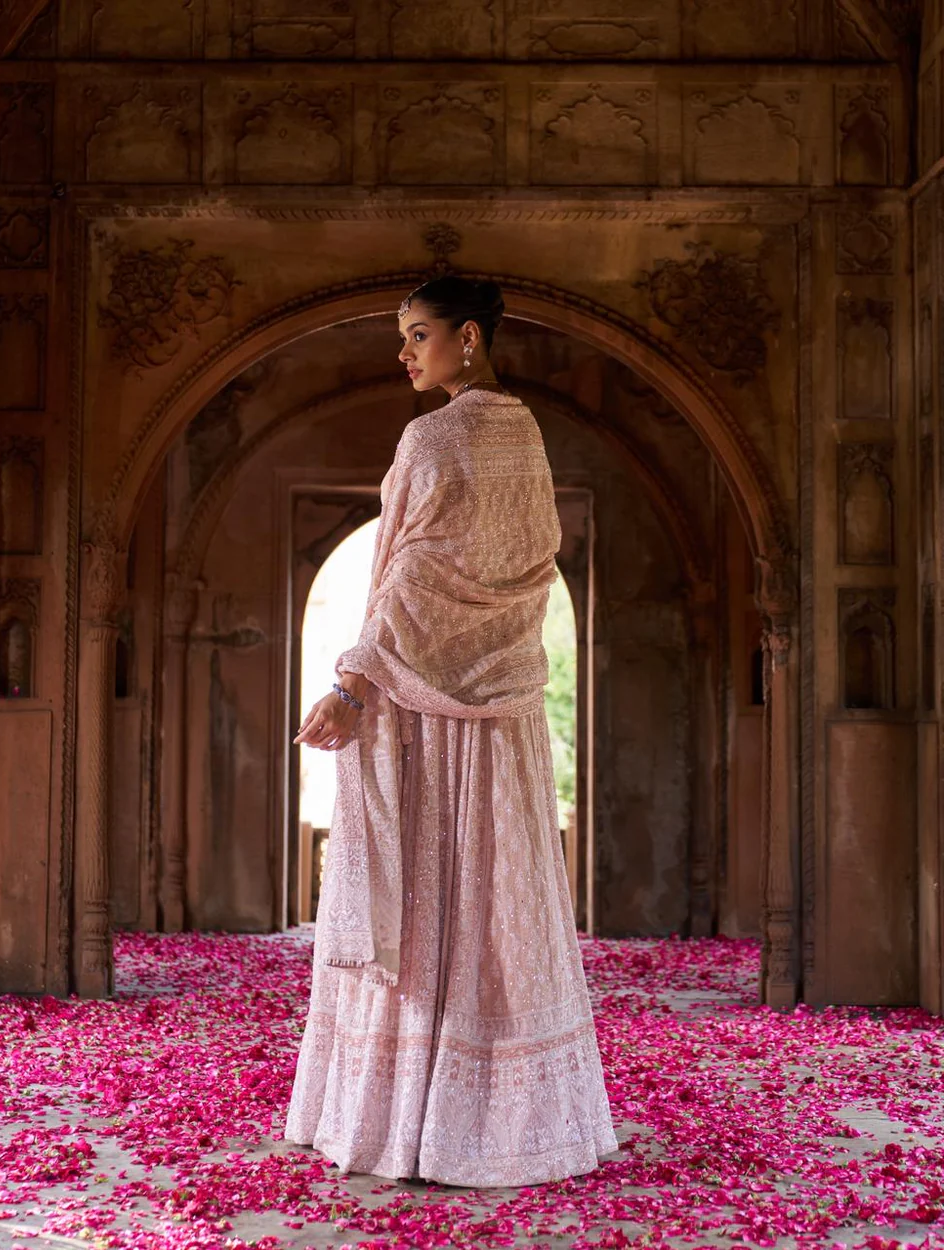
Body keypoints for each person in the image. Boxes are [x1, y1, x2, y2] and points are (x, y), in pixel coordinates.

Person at [283, 275, 617, 1187]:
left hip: (424, 711)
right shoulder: (525, 431)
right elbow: (514, 571)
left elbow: (412, 575)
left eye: (417, 336)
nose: (404, 354)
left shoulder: (434, 436)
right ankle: (478, 1119)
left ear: (467, 337)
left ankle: (419, 1120)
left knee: (432, 892)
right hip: (498, 707)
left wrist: (353, 685)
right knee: (486, 899)